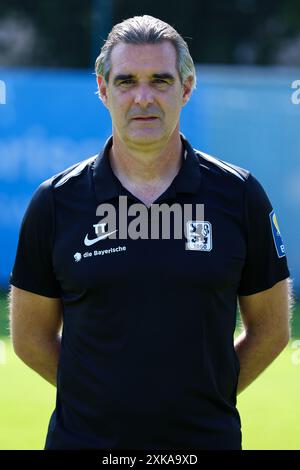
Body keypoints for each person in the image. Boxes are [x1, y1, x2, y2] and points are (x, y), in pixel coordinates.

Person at [9, 15, 291, 450]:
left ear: (186, 87)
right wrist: (96, 400)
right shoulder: (56, 202)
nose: (143, 97)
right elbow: (30, 337)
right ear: (103, 90)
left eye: (160, 80)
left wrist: (207, 398)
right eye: (126, 82)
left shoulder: (239, 196)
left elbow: (272, 328)